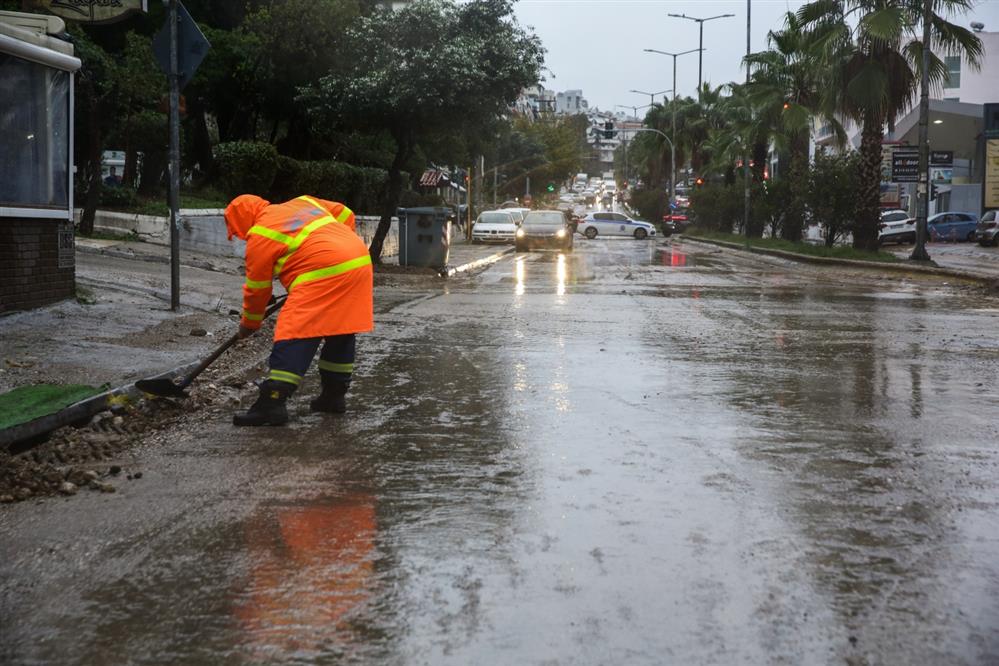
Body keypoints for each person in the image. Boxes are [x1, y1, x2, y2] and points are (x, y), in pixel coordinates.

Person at [224, 194, 373, 426]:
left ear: (241, 221)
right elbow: (346, 213)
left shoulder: (260, 234)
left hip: (323, 271)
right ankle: (333, 397)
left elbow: (258, 290)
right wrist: (338, 244)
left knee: (295, 331)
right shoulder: (302, 202)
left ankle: (272, 403)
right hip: (357, 260)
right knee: (340, 329)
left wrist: (249, 324)